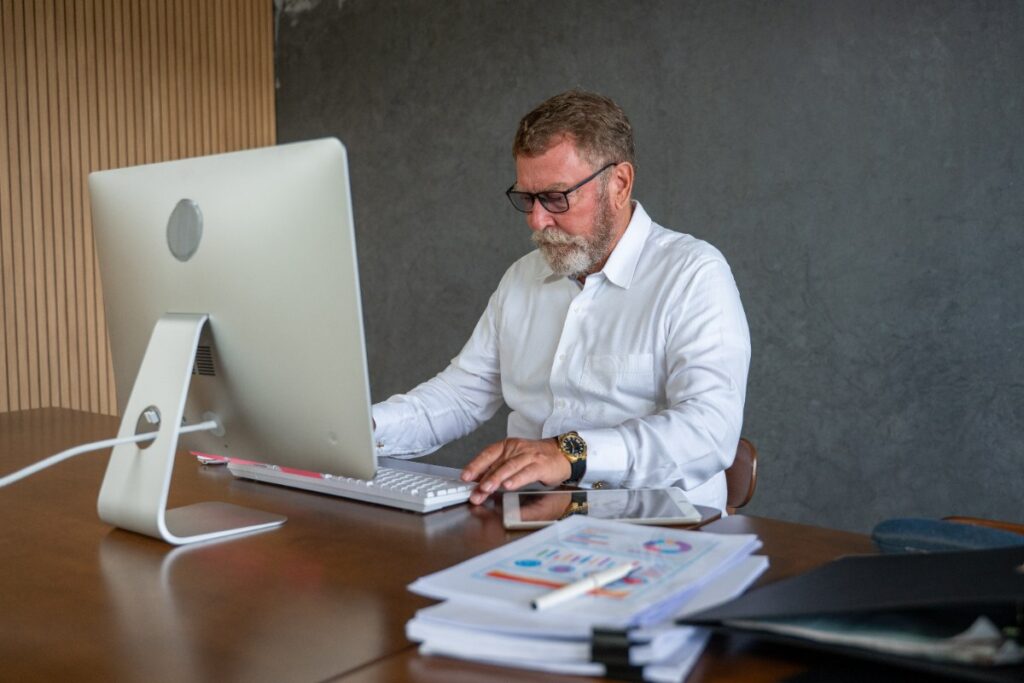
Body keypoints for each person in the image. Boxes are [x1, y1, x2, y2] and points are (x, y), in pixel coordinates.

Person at [371, 89, 750, 511]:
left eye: (556, 197)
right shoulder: (521, 278)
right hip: (531, 518)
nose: (537, 220)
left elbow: (709, 431)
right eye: (527, 199)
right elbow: (461, 396)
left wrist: (569, 453)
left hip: (662, 526)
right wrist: (359, 431)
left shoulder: (693, 274)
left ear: (619, 184)